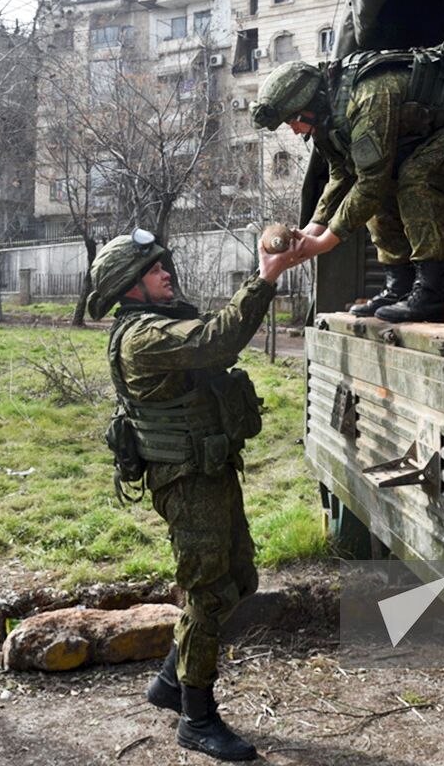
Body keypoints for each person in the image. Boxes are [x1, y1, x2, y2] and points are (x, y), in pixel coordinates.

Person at [87, 228, 306, 762]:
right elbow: (217, 341)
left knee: (239, 579)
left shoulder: (160, 323)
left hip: (208, 470)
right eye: (155, 268)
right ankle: (197, 718)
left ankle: (169, 682)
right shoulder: (143, 337)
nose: (167, 273)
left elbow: (210, 338)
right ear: (130, 286)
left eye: (164, 265)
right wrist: (265, 277)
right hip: (185, 480)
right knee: (207, 593)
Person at [250, 33, 444, 323]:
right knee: (383, 187)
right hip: (440, 129)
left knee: (416, 178)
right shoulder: (327, 117)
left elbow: (369, 182)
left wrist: (325, 243)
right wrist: (313, 228)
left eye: (293, 120)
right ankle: (399, 286)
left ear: (311, 103)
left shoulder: (369, 95)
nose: (295, 130)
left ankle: (431, 293)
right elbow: (341, 174)